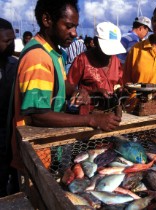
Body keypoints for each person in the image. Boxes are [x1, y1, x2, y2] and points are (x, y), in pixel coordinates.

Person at [11, 0, 121, 173]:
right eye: (68, 26)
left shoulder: (54, 52)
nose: (74, 33)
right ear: (47, 20)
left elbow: (61, 84)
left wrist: (87, 92)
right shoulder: (38, 58)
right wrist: (92, 119)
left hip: (49, 145)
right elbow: (38, 114)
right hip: (37, 153)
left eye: (75, 27)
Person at [67, 22, 126, 110]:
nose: (109, 54)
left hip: (112, 111)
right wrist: (91, 93)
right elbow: (67, 88)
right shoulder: (82, 60)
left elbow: (119, 84)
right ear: (95, 42)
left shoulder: (116, 61)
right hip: (88, 114)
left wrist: (121, 91)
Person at [0, 18, 19, 197]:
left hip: (10, 137)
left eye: (12, 39)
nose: (12, 44)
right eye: (6, 41)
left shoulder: (14, 66)